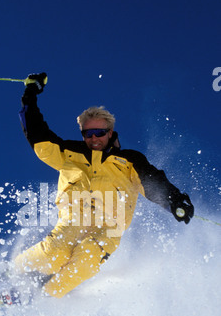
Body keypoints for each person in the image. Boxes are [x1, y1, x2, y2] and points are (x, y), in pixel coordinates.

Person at [13, 73, 194, 299]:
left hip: (109, 228)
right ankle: (10, 274)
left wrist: (175, 201)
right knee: (56, 253)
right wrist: (30, 94)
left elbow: (151, 181)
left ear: (110, 132)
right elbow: (39, 137)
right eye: (89, 134)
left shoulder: (128, 161)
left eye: (100, 133)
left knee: (87, 259)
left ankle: (42, 296)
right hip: (74, 220)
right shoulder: (70, 153)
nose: (94, 138)